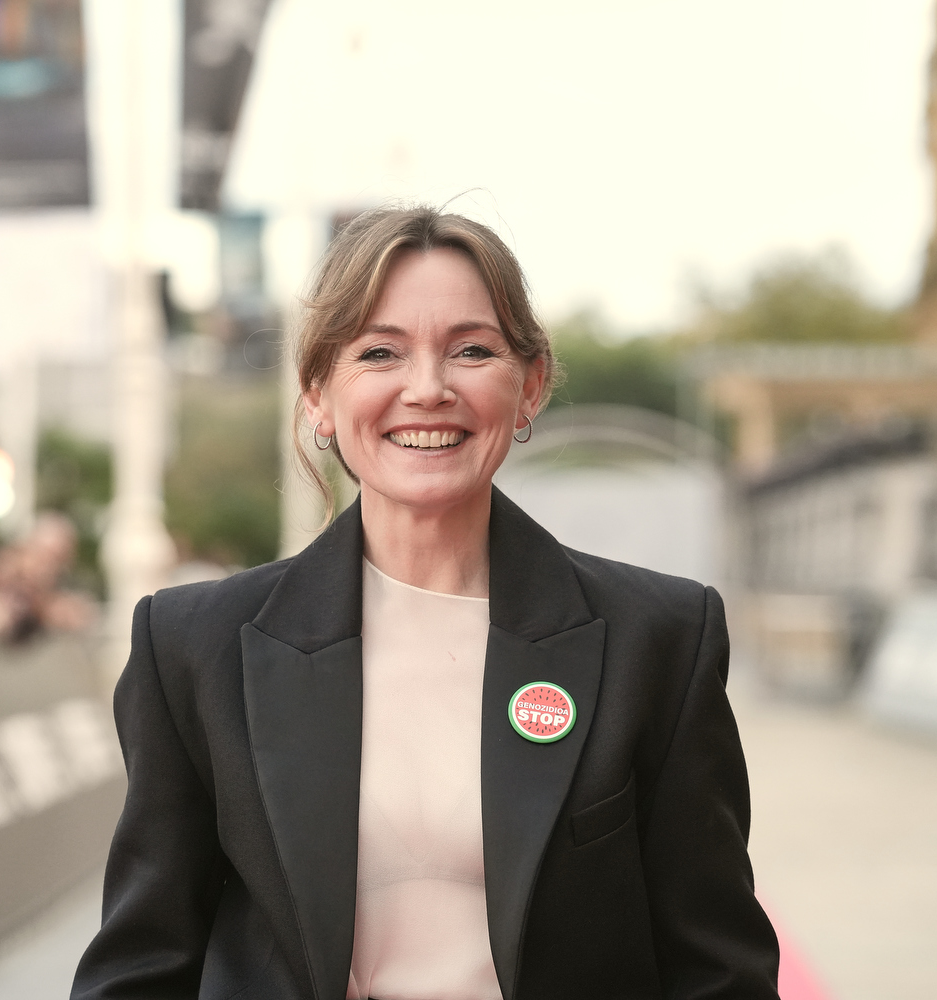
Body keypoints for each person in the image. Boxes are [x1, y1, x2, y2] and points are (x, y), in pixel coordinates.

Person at [71, 207, 780, 1000]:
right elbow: (142, 966)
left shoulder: (660, 639)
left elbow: (721, 973)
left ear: (530, 386)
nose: (428, 389)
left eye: (472, 350)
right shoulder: (194, 647)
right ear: (317, 395)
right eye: (380, 353)